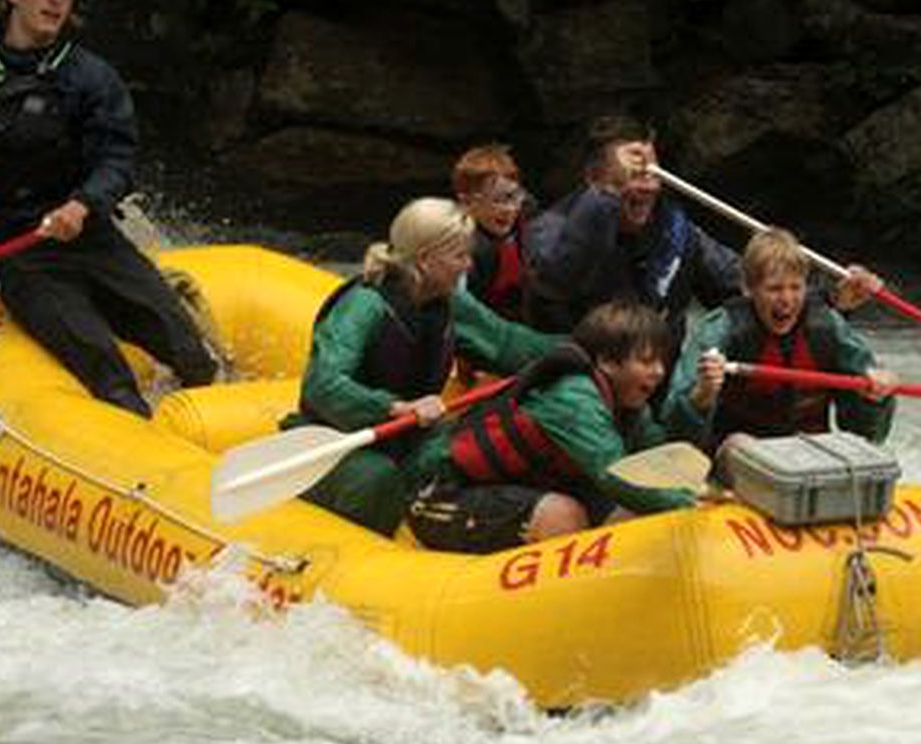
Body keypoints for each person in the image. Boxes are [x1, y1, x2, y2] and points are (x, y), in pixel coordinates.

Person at [0, 0, 216, 417]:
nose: (55, 2)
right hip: (20, 248)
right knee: (108, 373)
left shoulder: (91, 76)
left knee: (188, 351)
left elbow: (118, 155)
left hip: (91, 234)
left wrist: (84, 204)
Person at [286, 197, 558, 535]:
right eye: (459, 255)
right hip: (334, 439)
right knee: (376, 477)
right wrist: (394, 407)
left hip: (404, 435)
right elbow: (323, 384)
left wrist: (588, 344)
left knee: (467, 445)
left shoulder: (447, 302)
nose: (468, 265)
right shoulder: (364, 305)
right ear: (426, 260)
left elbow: (506, 343)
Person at [406, 300, 697, 554]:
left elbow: (660, 453)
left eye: (661, 361)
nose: (659, 371)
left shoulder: (630, 404)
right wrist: (690, 504)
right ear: (607, 361)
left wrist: (699, 404)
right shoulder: (573, 399)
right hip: (439, 494)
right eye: (646, 361)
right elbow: (615, 475)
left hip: (510, 486)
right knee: (564, 517)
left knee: (628, 515)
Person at [662, 227, 897, 454]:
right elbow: (674, 430)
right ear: (748, 288)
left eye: (796, 287)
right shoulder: (720, 328)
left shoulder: (829, 326)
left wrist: (876, 398)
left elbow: (868, 436)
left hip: (808, 452)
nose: (787, 299)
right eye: (774, 289)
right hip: (736, 454)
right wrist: (702, 395)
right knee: (739, 443)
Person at [523, 115, 742, 348]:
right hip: (585, 372)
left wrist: (772, 270)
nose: (648, 187)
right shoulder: (549, 229)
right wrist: (607, 195)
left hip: (661, 369)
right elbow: (557, 283)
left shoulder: (673, 227)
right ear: (594, 178)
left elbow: (735, 282)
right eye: (634, 175)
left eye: (653, 174)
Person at [452, 143, 533, 323]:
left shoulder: (522, 218)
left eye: (513, 196)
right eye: (497, 200)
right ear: (466, 202)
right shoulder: (468, 249)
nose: (509, 209)